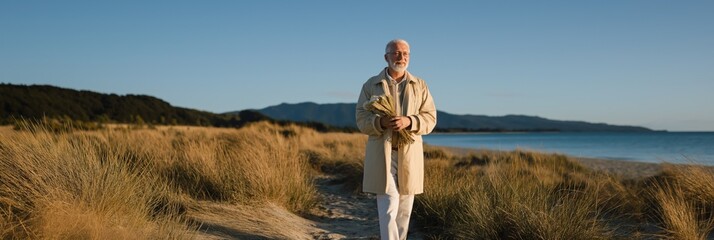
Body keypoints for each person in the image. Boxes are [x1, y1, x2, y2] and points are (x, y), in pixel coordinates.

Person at [355, 39, 437, 240]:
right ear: (386, 57)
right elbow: (361, 119)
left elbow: (431, 118)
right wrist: (380, 122)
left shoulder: (420, 85)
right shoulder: (370, 84)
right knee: (389, 203)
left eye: (405, 53)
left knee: (405, 209)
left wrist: (410, 121)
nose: (401, 57)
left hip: (409, 154)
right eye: (396, 53)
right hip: (382, 154)